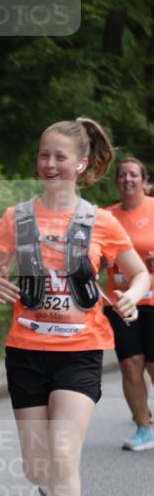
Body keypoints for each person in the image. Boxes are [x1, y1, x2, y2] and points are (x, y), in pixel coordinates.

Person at [0, 118, 149, 496]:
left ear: (80, 163)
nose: (50, 164)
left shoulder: (101, 220)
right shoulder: (16, 217)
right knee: (38, 468)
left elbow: (135, 272)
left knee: (62, 457)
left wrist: (133, 295)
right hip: (26, 351)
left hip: (79, 351)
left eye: (60, 157)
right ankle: (48, 493)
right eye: (44, 155)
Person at [103, 157, 154, 451]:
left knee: (152, 363)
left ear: (143, 181)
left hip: (152, 300)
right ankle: (143, 428)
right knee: (131, 364)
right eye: (122, 175)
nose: (127, 179)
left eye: (133, 174)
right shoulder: (107, 218)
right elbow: (93, 257)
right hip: (120, 302)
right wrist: (102, 260)